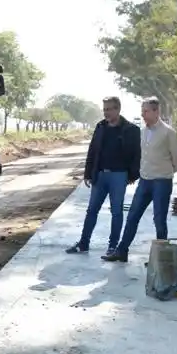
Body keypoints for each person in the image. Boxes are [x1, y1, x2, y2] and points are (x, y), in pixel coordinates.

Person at [104, 97, 177, 263]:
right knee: (132, 216)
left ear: (156, 112)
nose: (143, 115)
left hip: (162, 181)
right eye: (142, 111)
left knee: (159, 220)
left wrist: (168, 171)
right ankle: (121, 251)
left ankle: (161, 258)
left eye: (146, 111)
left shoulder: (168, 133)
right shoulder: (142, 132)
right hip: (145, 181)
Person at [65, 97, 140, 257]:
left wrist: (133, 175)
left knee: (116, 212)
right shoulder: (100, 126)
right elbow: (92, 150)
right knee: (91, 210)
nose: (106, 112)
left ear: (118, 109)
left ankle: (113, 247)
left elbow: (137, 154)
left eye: (109, 109)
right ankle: (84, 243)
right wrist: (88, 173)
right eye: (104, 109)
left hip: (119, 176)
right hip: (100, 175)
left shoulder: (131, 129)